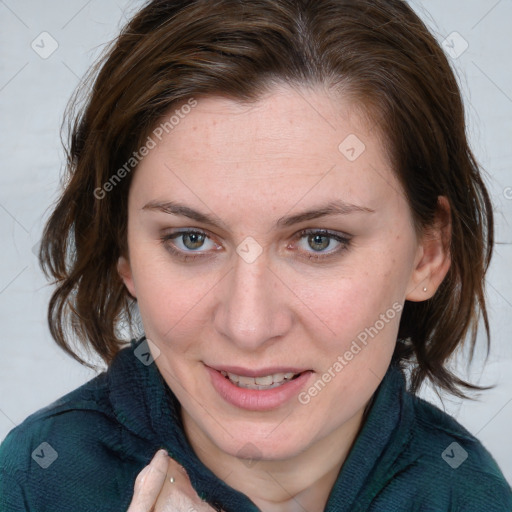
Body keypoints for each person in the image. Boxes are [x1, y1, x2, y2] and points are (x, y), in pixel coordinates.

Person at [1, 0, 511, 510]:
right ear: (124, 249)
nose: (248, 326)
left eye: (319, 240)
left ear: (427, 253)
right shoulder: (32, 482)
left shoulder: (469, 496)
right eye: (191, 239)